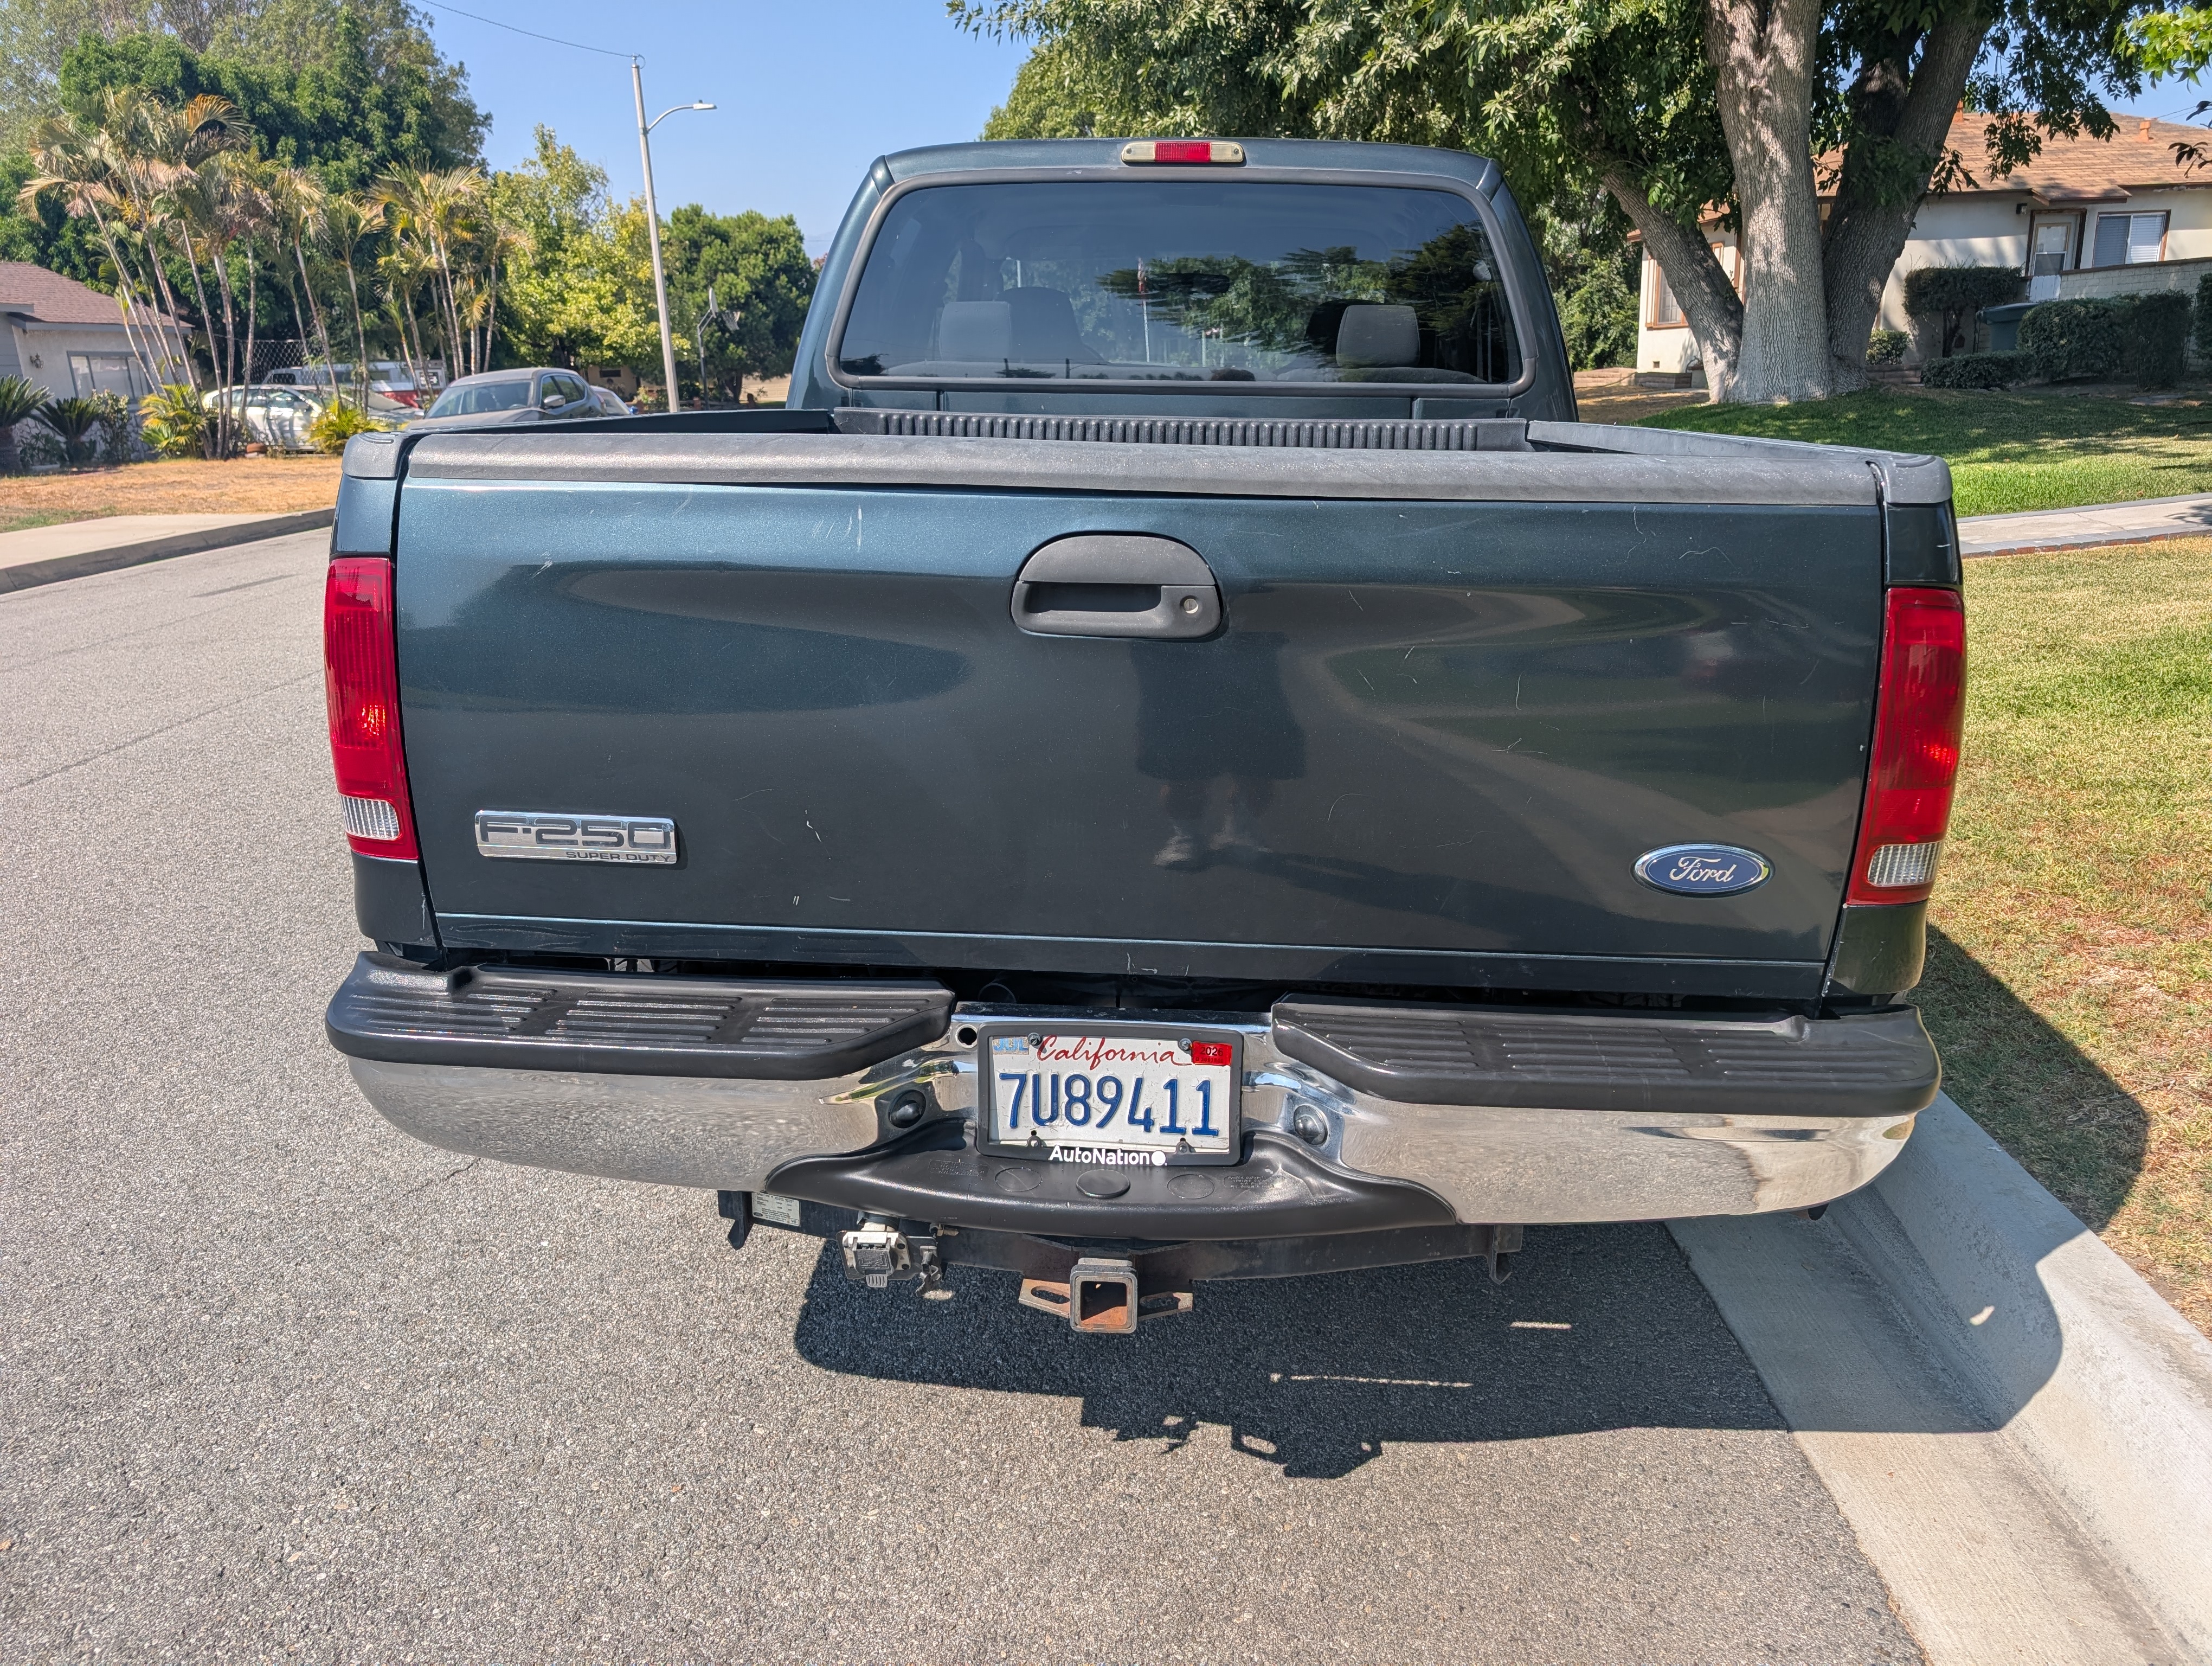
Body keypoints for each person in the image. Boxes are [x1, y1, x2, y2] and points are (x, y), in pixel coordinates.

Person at [1130, 630, 1305, 869]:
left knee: (1259, 768)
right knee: (1183, 771)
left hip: (1250, 658)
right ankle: (1187, 837)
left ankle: (1241, 831)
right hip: (1176, 656)